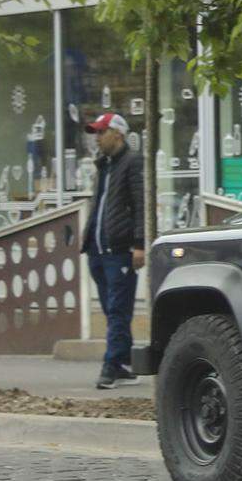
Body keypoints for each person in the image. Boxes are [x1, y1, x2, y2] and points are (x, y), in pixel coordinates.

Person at [84, 112, 144, 389]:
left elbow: (141, 205)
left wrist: (140, 245)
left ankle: (109, 366)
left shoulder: (132, 162)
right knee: (111, 309)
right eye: (95, 132)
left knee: (118, 310)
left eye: (101, 132)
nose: (97, 137)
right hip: (97, 250)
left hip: (119, 250)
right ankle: (122, 361)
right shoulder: (103, 165)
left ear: (117, 134)